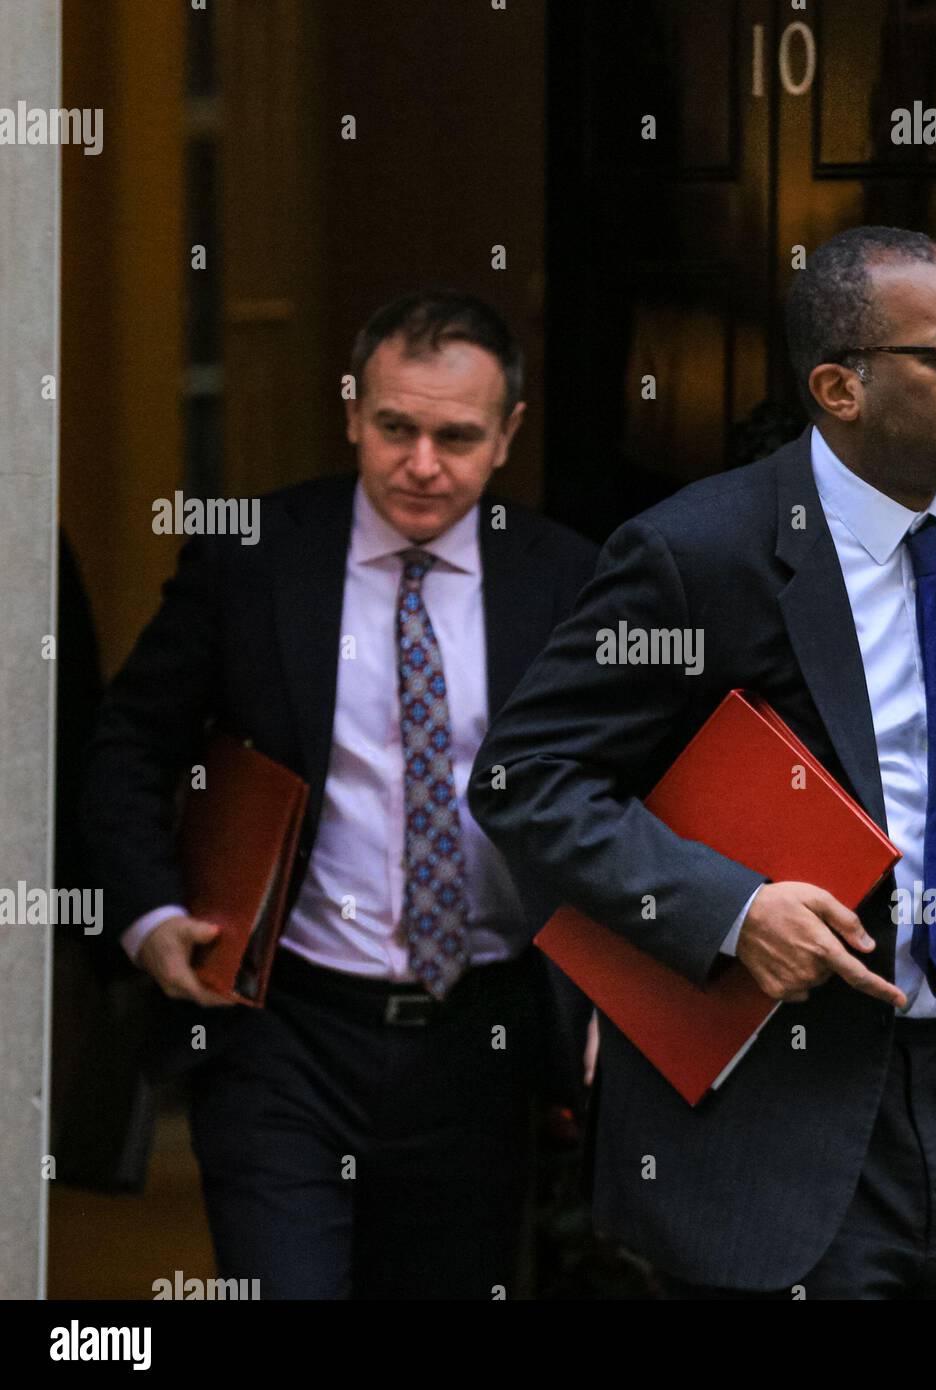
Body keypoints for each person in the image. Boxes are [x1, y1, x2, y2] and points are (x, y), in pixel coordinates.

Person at [468, 227, 936, 1299]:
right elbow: (526, 775)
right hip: (785, 1131)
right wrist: (730, 909)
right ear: (838, 388)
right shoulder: (695, 553)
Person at [81, 288, 598, 1299]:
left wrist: (616, 987)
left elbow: (627, 795)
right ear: (353, 410)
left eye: (456, 437)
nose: (420, 463)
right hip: (288, 1032)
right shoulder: (257, 558)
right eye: (396, 427)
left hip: (482, 1043)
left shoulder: (568, 582)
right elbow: (128, 742)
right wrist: (149, 913)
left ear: (507, 437)